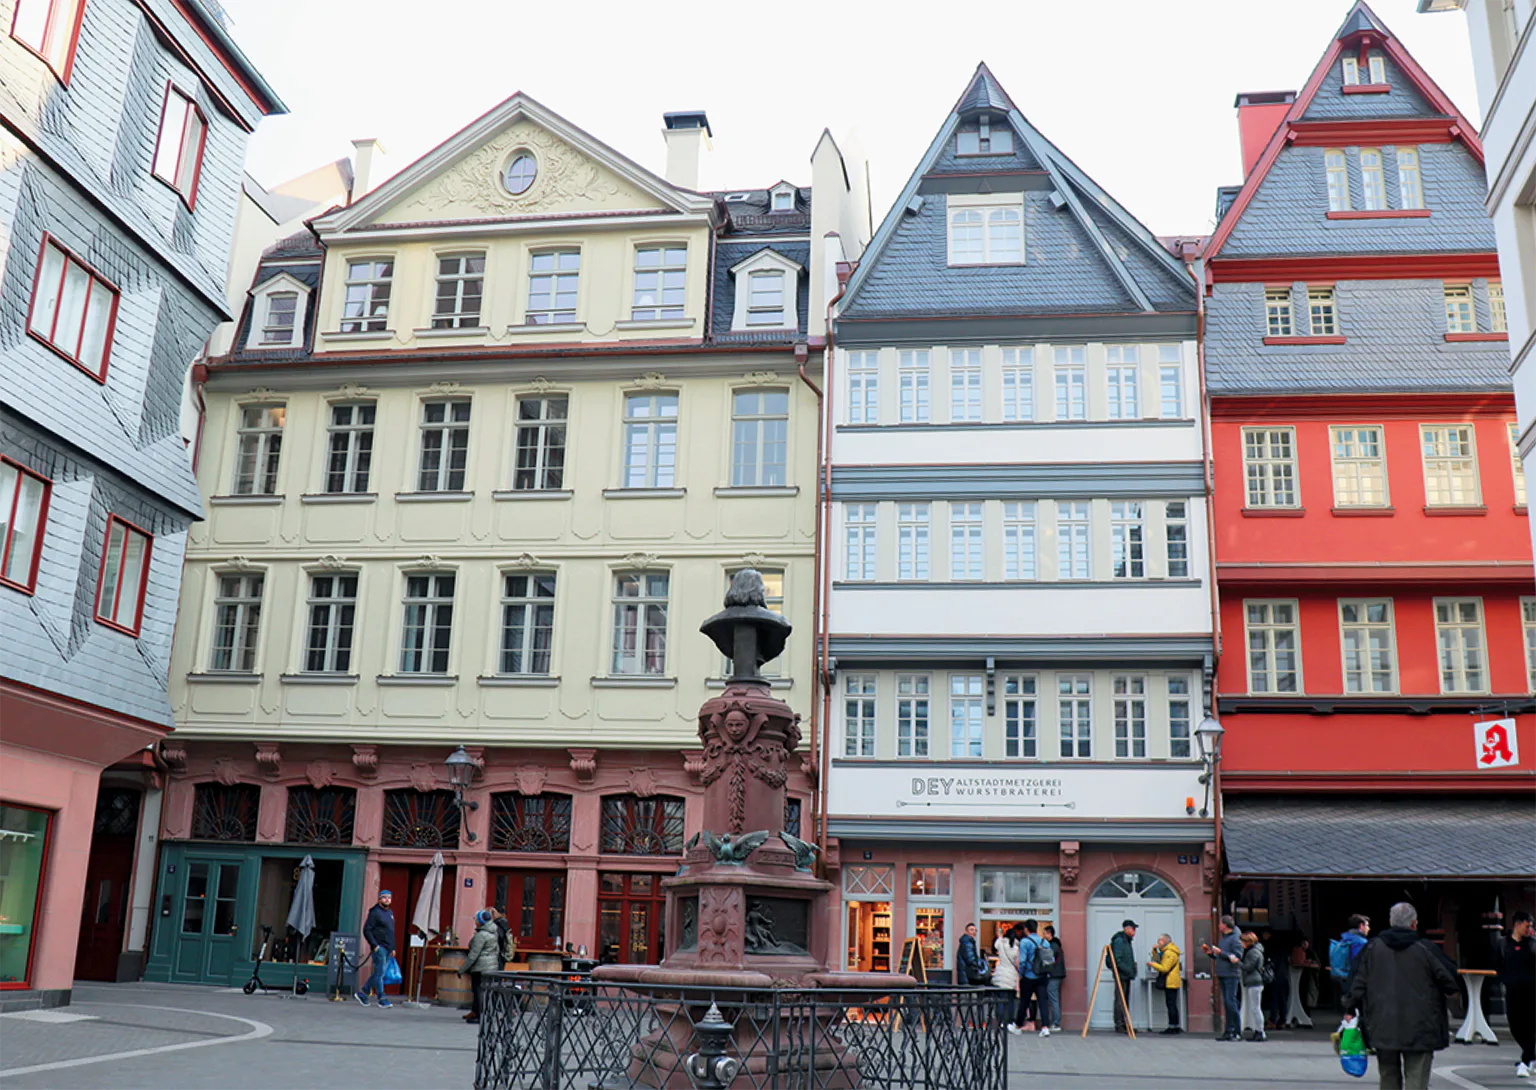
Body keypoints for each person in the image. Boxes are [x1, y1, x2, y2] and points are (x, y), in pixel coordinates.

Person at [1345, 902, 1458, 1090]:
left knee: (1388, 1077)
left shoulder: (1372, 948)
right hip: (1421, 1026)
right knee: (1417, 1080)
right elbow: (1451, 981)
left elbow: (1356, 983)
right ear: (1414, 924)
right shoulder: (1426, 949)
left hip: (1382, 1024)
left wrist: (1350, 1008)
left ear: (1391, 922)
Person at [1500, 909, 1536, 1078]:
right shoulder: (1504, 944)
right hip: (1512, 990)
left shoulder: (1532, 944)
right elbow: (1499, 963)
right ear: (1517, 924)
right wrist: (1504, 978)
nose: (1529, 929)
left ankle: (1525, 1060)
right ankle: (1531, 1057)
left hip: (1531, 991)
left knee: (1530, 1026)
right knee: (1515, 1026)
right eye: (1527, 926)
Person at [1202, 915, 1243, 1041]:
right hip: (1223, 973)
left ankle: (1236, 1031)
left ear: (1225, 925)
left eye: (1220, 924)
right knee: (1227, 1003)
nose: (1219, 926)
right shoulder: (1224, 938)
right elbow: (1221, 957)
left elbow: (1237, 956)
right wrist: (1211, 954)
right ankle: (1228, 1031)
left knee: (1231, 1002)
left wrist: (1221, 953)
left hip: (1231, 974)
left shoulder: (1235, 938)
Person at [355, 889, 396, 1008]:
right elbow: (367, 930)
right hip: (380, 947)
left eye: (389, 897)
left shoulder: (390, 913)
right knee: (379, 974)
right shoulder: (374, 912)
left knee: (379, 973)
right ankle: (382, 998)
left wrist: (393, 948)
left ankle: (363, 993)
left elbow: (391, 931)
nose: (387, 899)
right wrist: (374, 945)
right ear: (379, 899)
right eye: (384, 897)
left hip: (388, 948)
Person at [1011, 919, 1050, 1037]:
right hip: (1042, 976)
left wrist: (1021, 974)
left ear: (1026, 929)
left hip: (1028, 976)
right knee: (1043, 1002)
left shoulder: (1025, 942)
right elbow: (1050, 960)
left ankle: (1017, 1026)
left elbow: (1022, 961)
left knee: (1024, 1002)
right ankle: (1045, 1027)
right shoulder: (1045, 942)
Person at [462, 909, 502, 1025]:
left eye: (476, 919)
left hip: (480, 967)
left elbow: (473, 955)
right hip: (490, 967)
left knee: (478, 991)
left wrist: (462, 969)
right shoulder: (493, 932)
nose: (474, 921)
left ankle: (480, 1016)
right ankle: (485, 1015)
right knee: (485, 992)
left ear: (480, 921)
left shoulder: (481, 935)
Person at [1107, 919, 1138, 1036]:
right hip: (1121, 975)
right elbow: (1117, 959)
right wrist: (1128, 970)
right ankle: (1119, 1024)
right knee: (1120, 1000)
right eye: (1133, 929)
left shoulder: (1127, 941)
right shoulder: (1120, 941)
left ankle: (1125, 1024)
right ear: (1127, 929)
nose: (1135, 931)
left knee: (1124, 1000)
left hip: (1126, 975)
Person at [1148, 932, 1182, 1034]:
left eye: (1159, 941)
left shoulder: (1169, 953)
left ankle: (1173, 1027)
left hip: (1170, 981)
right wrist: (1154, 951)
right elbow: (1159, 960)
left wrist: (1152, 964)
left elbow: (1164, 968)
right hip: (1171, 981)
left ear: (1163, 941)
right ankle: (1174, 1025)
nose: (1158, 943)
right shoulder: (1166, 952)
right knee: (1171, 1003)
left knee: (1171, 1004)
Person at [1240, 931, 1267, 1042]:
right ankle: (1258, 1030)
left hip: (1254, 982)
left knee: (1256, 1008)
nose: (1241, 943)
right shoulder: (1257, 950)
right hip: (1256, 981)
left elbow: (1248, 967)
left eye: (1242, 941)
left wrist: (1237, 962)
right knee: (1255, 1008)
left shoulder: (1253, 952)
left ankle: (1260, 1032)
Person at [992, 923, 1021, 1021]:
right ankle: (1010, 1020)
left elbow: (995, 945)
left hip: (1000, 974)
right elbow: (1017, 963)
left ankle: (1000, 1020)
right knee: (1011, 1000)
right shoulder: (1016, 948)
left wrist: (1000, 936)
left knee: (1001, 999)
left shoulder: (1001, 944)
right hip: (1011, 975)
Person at [1043, 924, 1066, 1032]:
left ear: (1049, 934)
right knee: (1054, 998)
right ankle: (1055, 1022)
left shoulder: (1053, 946)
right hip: (1057, 974)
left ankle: (1056, 1023)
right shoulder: (1056, 945)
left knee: (1053, 999)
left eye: (1044, 933)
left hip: (1054, 975)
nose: (1043, 936)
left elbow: (1049, 959)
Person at [957, 922, 991, 986]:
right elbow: (971, 960)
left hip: (966, 975)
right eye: (971, 930)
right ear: (966, 931)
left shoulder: (967, 942)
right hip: (967, 976)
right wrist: (981, 965)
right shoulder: (967, 943)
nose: (974, 932)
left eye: (975, 930)